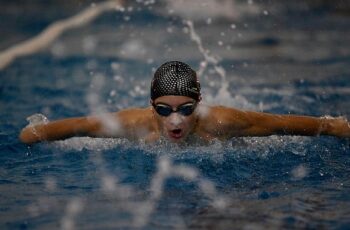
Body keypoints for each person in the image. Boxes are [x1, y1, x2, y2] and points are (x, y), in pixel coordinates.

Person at [19, 61, 350, 144]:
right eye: (164, 110)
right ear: (151, 107)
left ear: (199, 104)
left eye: (185, 109)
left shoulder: (222, 122)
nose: (175, 120)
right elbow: (82, 126)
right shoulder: (135, 125)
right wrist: (36, 133)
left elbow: (281, 123)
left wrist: (335, 126)